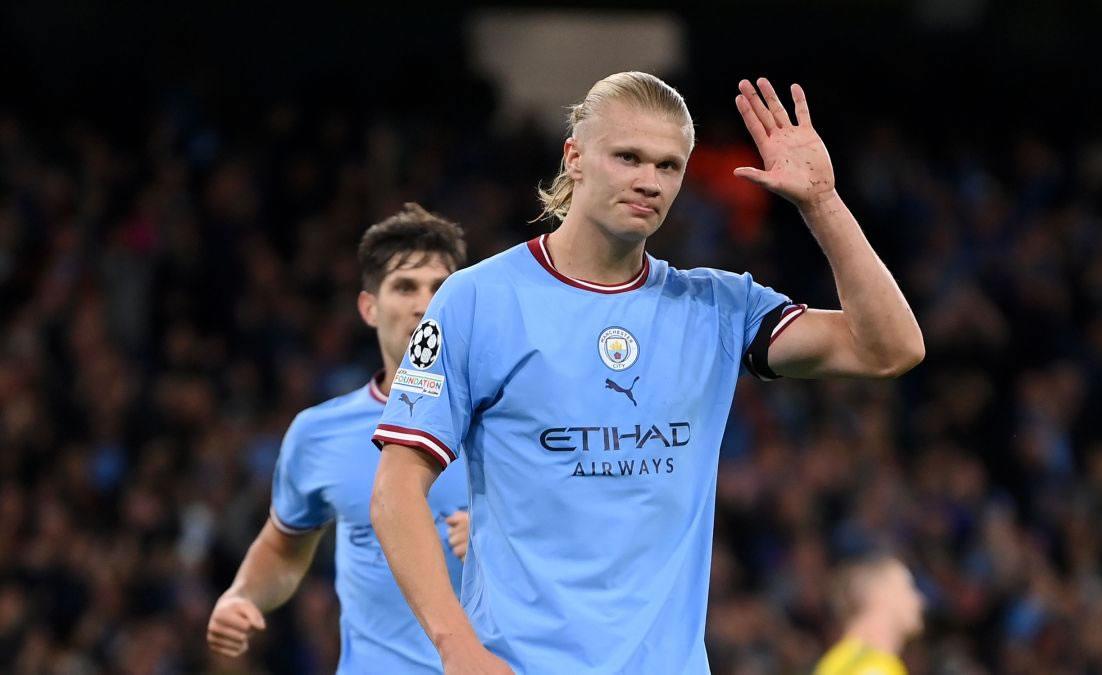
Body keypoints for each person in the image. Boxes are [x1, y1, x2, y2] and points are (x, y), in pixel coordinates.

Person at [369, 72, 924, 673]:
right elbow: (397, 488)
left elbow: (889, 349)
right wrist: (455, 644)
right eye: (628, 157)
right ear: (575, 158)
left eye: (669, 166)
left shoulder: (717, 308)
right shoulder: (477, 300)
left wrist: (822, 204)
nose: (649, 182)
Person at [206, 204, 471, 673]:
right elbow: (283, 548)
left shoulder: (509, 423)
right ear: (369, 308)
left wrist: (503, 539)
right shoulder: (317, 433)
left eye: (440, 288)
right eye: (405, 287)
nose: (424, 304)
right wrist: (241, 595)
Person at [813, 554, 925, 675]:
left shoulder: (835, 663)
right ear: (879, 595)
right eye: (907, 588)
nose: (919, 600)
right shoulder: (874, 669)